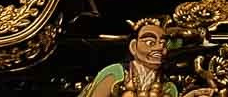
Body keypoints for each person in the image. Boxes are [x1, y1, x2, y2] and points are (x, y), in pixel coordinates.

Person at [80, 20, 215, 97]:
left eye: (162, 43)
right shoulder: (115, 73)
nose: (158, 48)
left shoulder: (168, 88)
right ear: (133, 47)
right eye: (150, 42)